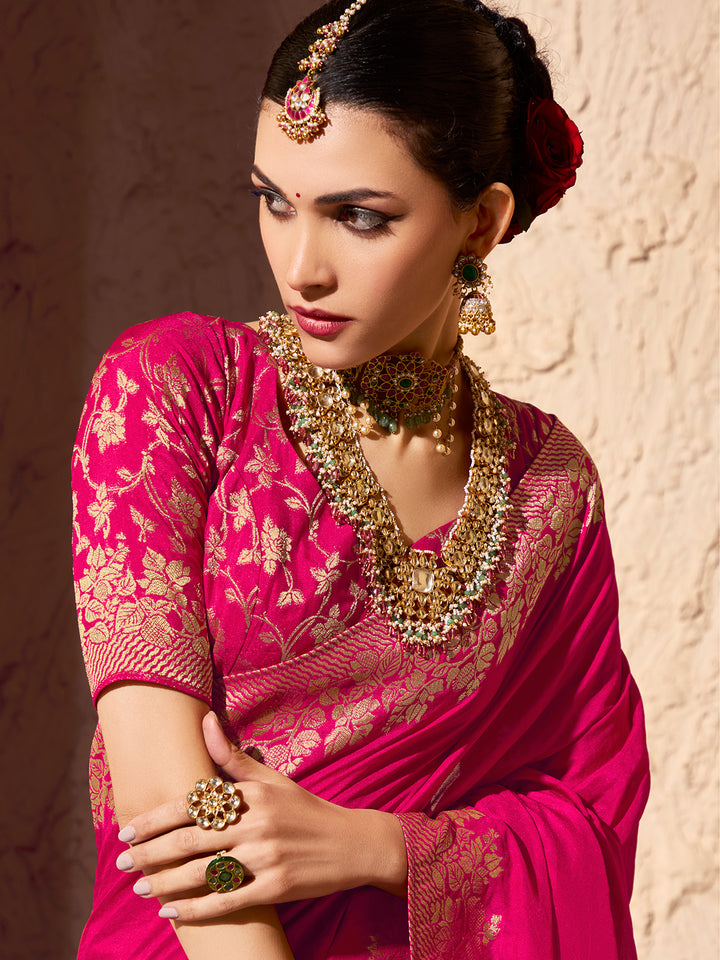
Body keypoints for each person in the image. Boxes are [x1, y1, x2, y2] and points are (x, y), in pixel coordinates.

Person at [71, 0, 650, 957]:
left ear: (481, 222)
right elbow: (165, 809)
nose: (301, 266)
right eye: (274, 200)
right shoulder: (175, 391)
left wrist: (379, 848)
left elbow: (587, 820)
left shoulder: (551, 492)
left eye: (360, 217)